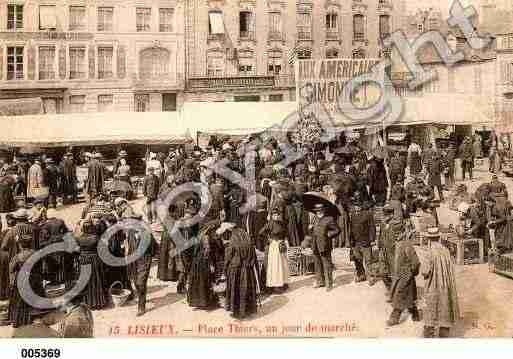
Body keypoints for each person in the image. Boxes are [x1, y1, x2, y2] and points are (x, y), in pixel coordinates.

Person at [421, 228, 460, 338]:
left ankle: (429, 335)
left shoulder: (429, 252)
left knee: (431, 309)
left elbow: (425, 271)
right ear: (438, 238)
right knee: (445, 308)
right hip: (445, 285)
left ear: (429, 239)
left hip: (433, 285)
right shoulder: (446, 251)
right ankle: (444, 335)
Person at [8, 214, 44, 328]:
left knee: (20, 301)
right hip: (34, 279)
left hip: (22, 279)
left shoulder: (18, 257)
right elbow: (41, 267)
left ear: (21, 245)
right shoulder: (36, 253)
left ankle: (21, 319)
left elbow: (11, 269)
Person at [386, 223, 420, 327]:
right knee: (408, 296)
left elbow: (415, 262)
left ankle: (394, 318)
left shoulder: (407, 245)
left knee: (399, 296)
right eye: (394, 234)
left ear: (403, 232)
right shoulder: (397, 244)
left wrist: (411, 273)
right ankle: (415, 314)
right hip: (398, 275)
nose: (396, 235)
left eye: (398, 233)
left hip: (406, 275)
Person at [222, 223, 258, 319]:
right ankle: (249, 309)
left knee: (236, 289)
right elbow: (253, 253)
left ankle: (238, 312)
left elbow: (229, 255)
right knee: (247, 289)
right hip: (247, 268)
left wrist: (225, 268)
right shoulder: (246, 235)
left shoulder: (233, 238)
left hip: (236, 268)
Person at [125, 216, 157, 317]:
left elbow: (154, 248)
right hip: (133, 261)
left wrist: (148, 259)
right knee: (136, 282)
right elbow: (129, 246)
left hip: (144, 261)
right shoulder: (130, 232)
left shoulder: (147, 234)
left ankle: (141, 307)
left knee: (141, 282)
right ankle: (141, 296)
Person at [187, 220, 220, 310]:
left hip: (197, 261)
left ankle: (197, 301)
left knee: (198, 281)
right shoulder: (206, 237)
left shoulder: (200, 234)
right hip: (203, 262)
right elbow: (207, 252)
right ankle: (205, 302)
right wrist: (211, 264)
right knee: (204, 280)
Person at [76, 219, 108, 310]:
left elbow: (75, 250)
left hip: (84, 260)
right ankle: (98, 302)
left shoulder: (79, 238)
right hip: (95, 259)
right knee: (97, 280)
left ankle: (88, 302)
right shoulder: (96, 237)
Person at [258, 208, 290, 294]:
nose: (276, 216)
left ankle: (283, 282)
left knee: (283, 264)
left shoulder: (281, 223)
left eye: (277, 215)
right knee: (276, 265)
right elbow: (261, 232)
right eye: (274, 215)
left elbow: (285, 233)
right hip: (274, 246)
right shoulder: (270, 224)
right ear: (272, 216)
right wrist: (269, 239)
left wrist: (285, 240)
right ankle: (276, 285)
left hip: (281, 245)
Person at [311, 203, 340, 291]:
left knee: (327, 264)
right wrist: (311, 228)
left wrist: (329, 234)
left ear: (323, 210)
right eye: (317, 211)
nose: (318, 212)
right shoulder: (314, 219)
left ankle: (329, 284)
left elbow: (337, 230)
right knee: (317, 264)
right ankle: (320, 281)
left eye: (320, 210)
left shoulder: (329, 219)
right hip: (315, 245)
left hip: (325, 245)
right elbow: (314, 231)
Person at [348, 196, 376, 284]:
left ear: (361, 206)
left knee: (368, 260)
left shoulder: (367, 214)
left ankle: (370, 277)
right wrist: (350, 240)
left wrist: (372, 239)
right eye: (355, 205)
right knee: (357, 259)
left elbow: (372, 227)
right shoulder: (352, 215)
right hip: (355, 242)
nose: (356, 207)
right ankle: (361, 275)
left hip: (365, 241)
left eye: (358, 205)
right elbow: (351, 228)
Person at [378, 204, 404, 294]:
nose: (384, 217)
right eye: (384, 215)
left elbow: (401, 238)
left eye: (387, 215)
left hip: (394, 252)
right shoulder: (383, 223)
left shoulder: (397, 224)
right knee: (382, 272)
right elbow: (381, 235)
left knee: (395, 273)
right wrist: (380, 247)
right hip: (384, 251)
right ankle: (390, 289)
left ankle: (395, 292)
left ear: (392, 214)